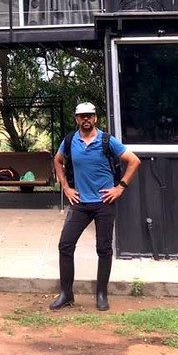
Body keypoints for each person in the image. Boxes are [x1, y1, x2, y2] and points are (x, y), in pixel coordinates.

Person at [50, 101, 140, 311]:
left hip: (104, 203)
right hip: (80, 203)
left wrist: (120, 188)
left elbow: (134, 161)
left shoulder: (107, 140)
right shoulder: (70, 140)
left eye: (90, 115)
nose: (86, 119)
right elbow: (57, 160)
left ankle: (101, 294)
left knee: (104, 248)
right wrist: (66, 187)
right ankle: (66, 294)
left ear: (95, 118)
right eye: (82, 116)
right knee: (65, 245)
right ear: (77, 119)